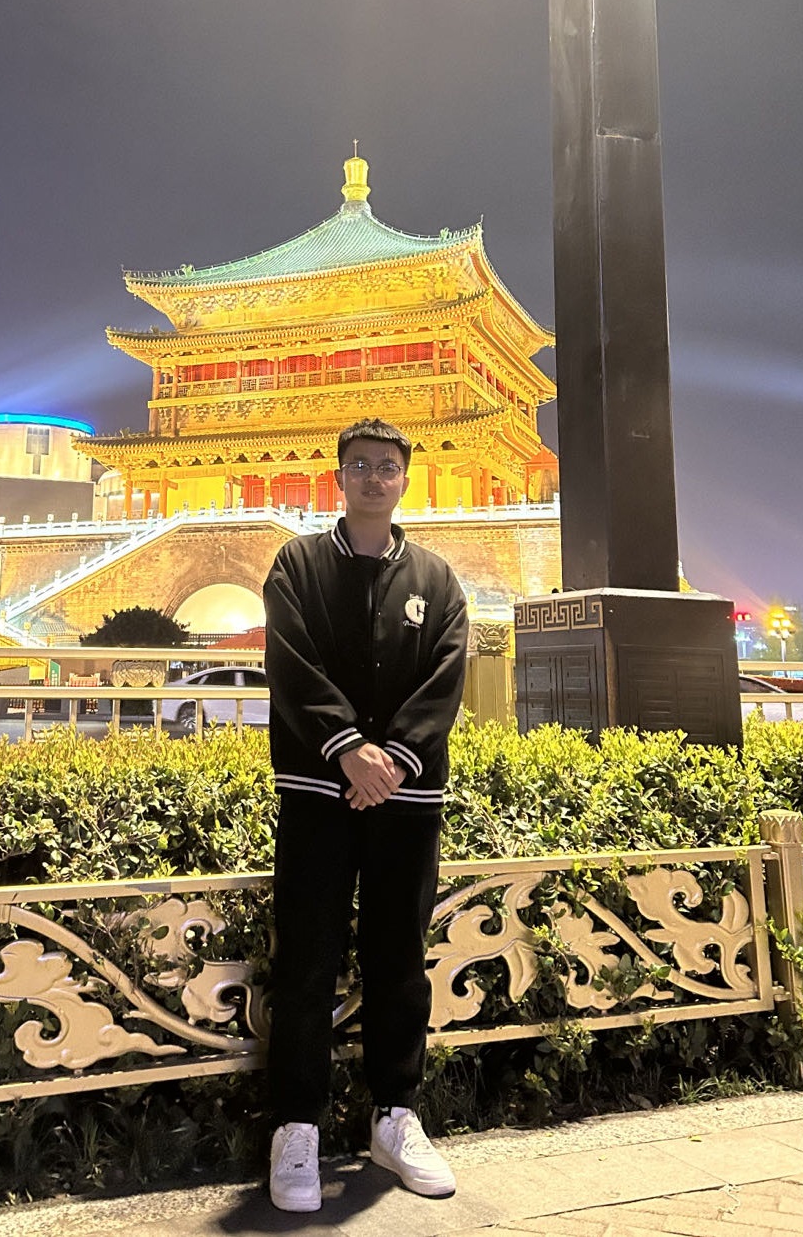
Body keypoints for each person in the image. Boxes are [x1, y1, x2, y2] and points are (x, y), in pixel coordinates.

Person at [262, 417, 468, 1213]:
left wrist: (393, 760)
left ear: (404, 480)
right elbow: (290, 661)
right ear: (338, 478)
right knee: (306, 958)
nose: (373, 478)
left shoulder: (437, 580)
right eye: (359, 466)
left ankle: (394, 1115)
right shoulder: (298, 564)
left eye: (386, 466)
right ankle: (296, 1127)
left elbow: (446, 675)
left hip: (406, 797)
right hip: (318, 789)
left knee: (397, 957)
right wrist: (348, 749)